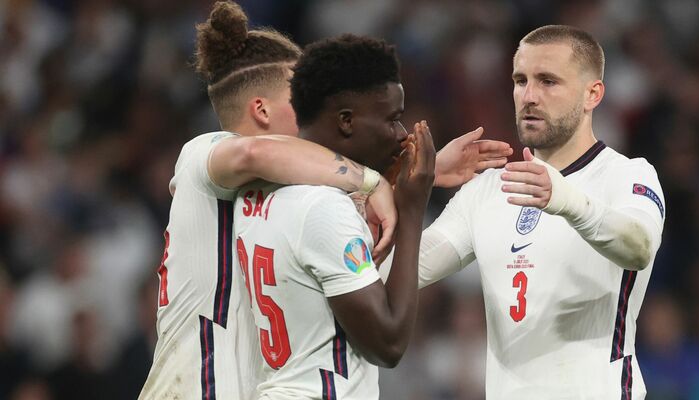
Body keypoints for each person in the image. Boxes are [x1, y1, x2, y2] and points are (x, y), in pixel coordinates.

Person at [139, 2, 511, 399]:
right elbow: (254, 154)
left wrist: (415, 176)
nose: (308, 109)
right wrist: (375, 183)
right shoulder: (204, 154)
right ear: (261, 110)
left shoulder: (277, 195)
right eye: (297, 99)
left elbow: (350, 268)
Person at [413, 25, 666, 399]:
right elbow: (398, 273)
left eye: (548, 81)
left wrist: (566, 200)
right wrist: (412, 179)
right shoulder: (487, 189)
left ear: (591, 94)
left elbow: (639, 246)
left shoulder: (627, 176)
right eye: (520, 80)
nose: (528, 96)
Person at [234, 34, 434, 400]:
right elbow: (387, 344)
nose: (401, 134)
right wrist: (412, 208)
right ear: (346, 121)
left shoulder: (254, 191)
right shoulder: (325, 208)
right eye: (393, 119)